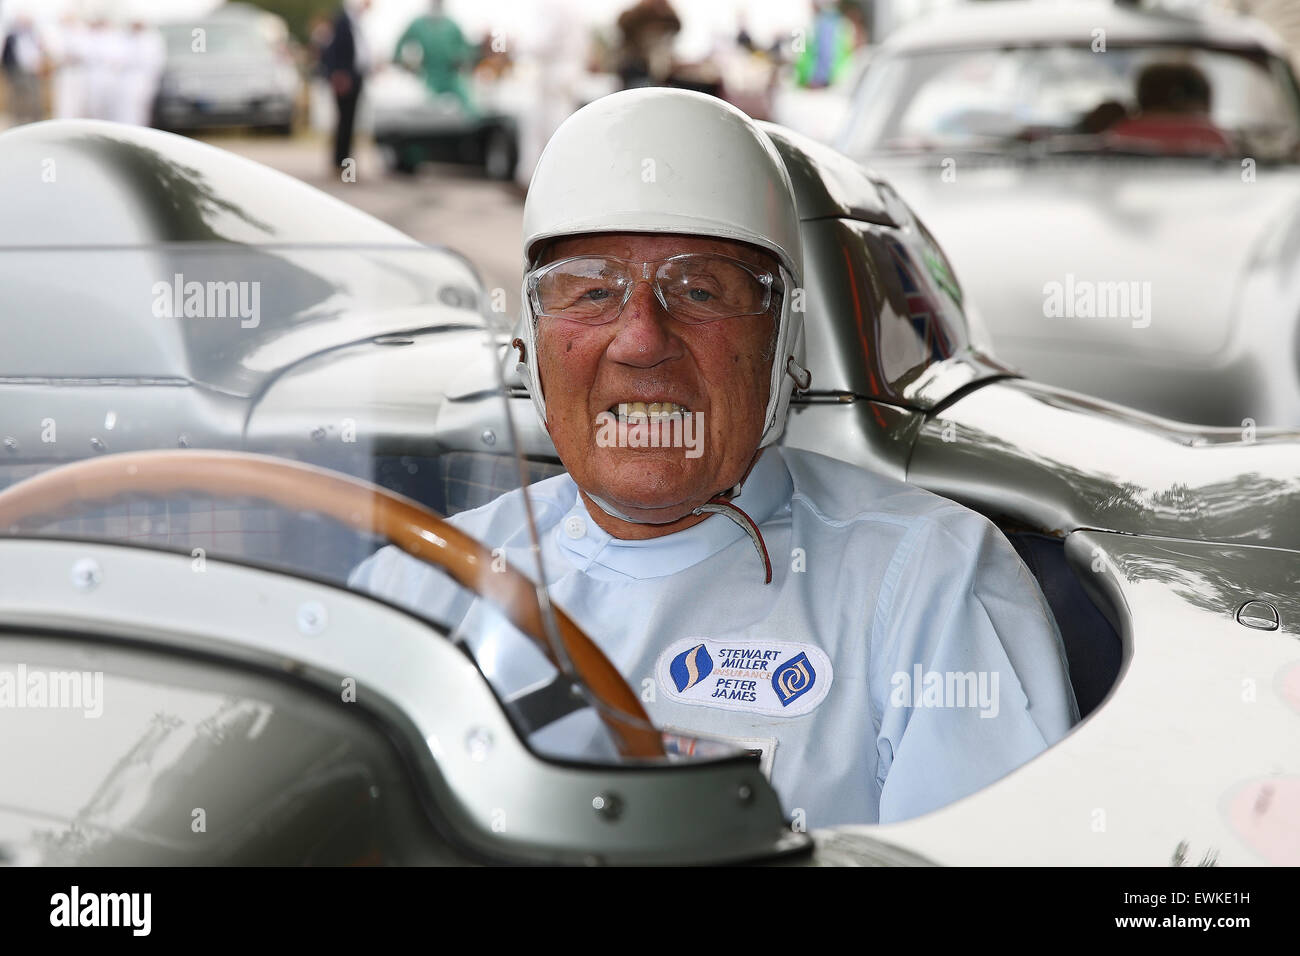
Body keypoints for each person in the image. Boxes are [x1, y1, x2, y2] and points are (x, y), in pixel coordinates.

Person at [350, 88, 1079, 827]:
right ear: (532, 350)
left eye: (700, 290)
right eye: (593, 290)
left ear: (780, 348)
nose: (640, 340)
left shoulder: (932, 583)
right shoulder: (418, 585)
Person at [393, 0, 475, 115]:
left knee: (468, 103)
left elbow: (465, 47)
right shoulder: (418, 24)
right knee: (429, 108)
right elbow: (400, 44)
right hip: (429, 75)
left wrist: (461, 60)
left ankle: (478, 129)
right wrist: (401, 62)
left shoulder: (451, 25)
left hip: (450, 74)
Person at [320, 0, 371, 170]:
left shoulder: (355, 23)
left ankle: (344, 162)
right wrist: (339, 74)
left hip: (355, 77)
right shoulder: (343, 21)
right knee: (345, 122)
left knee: (348, 123)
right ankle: (341, 163)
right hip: (345, 79)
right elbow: (333, 50)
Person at [1, 16, 44, 125]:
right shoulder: (11, 37)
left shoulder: (33, 36)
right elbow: (6, 56)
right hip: (17, 71)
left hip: (32, 71)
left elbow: (39, 52)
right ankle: (18, 119)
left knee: (34, 96)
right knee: (18, 96)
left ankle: (35, 119)